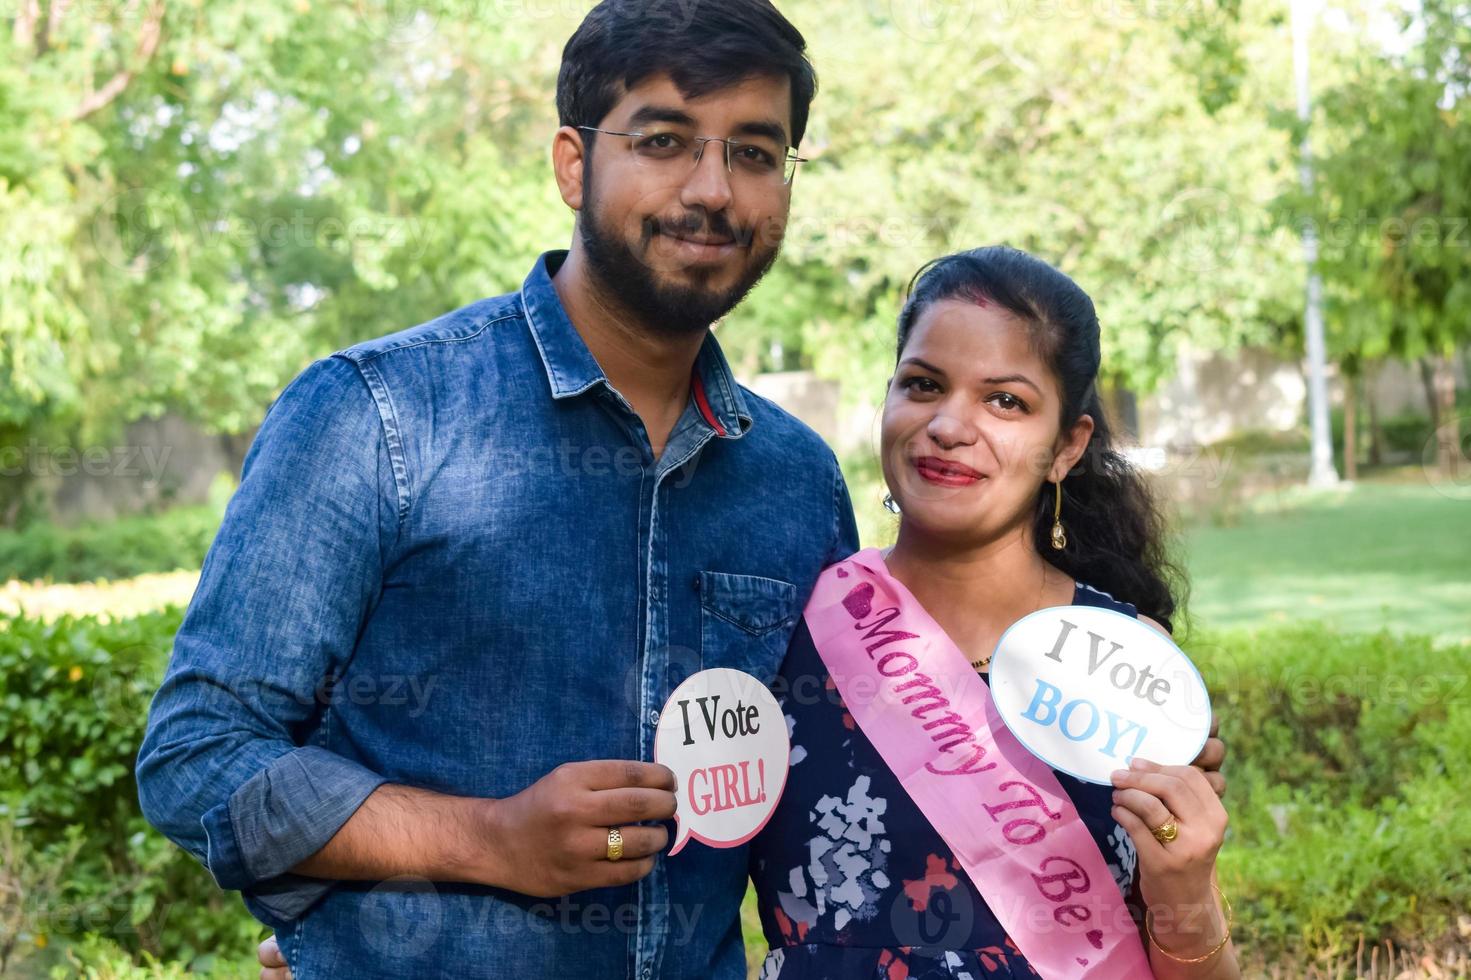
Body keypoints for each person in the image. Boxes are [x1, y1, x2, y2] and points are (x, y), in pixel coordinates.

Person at [138, 3, 858, 978]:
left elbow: (827, 805)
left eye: (756, 152)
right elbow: (196, 754)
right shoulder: (379, 416)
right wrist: (486, 838)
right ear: (573, 163)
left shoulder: (798, 479)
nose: (712, 190)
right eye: (662, 140)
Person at [748, 246, 1237, 978]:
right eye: (921, 385)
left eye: (1004, 400)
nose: (948, 425)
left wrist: (1184, 884)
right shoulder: (790, 628)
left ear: (1066, 447)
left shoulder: (1125, 663)